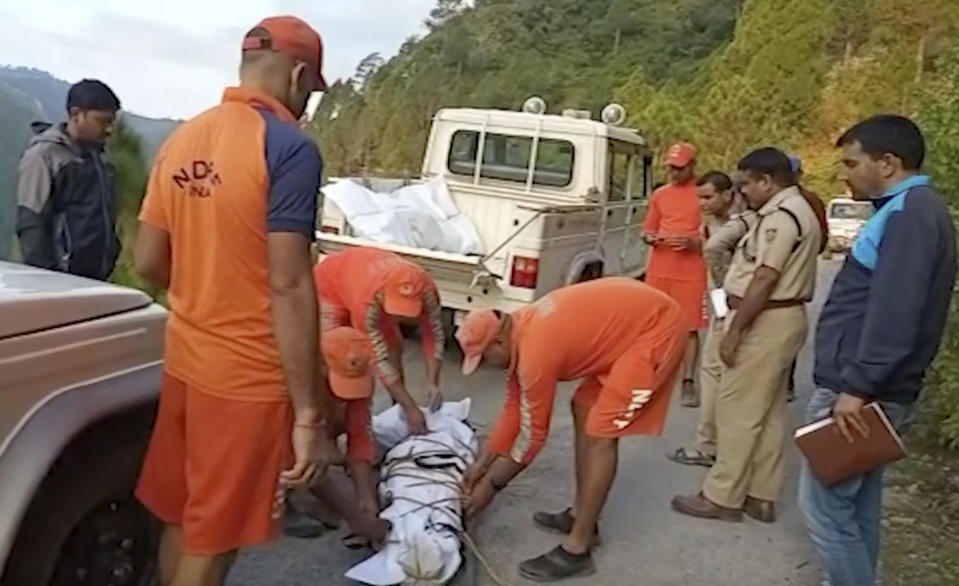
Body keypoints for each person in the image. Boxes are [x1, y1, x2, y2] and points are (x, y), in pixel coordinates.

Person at [132, 16, 338, 586]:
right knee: (215, 539)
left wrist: (208, 284)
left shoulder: (184, 137)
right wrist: (308, 415)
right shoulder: (290, 148)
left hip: (185, 361)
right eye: (310, 91)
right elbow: (289, 284)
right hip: (246, 380)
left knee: (183, 517)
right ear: (299, 76)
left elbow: (148, 260)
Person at [799, 115, 956, 586]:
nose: (845, 175)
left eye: (852, 163)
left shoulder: (911, 214)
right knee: (857, 503)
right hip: (873, 389)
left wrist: (857, 386)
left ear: (887, 163)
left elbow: (896, 312)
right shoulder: (911, 209)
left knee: (824, 509)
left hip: (861, 393)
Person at [458, 278, 685, 581]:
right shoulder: (520, 330)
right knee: (582, 406)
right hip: (633, 326)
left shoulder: (535, 350)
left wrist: (490, 488)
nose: (487, 365)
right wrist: (481, 467)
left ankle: (578, 548)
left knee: (601, 434)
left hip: (656, 330)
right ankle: (582, 516)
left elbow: (533, 437)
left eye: (485, 358)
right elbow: (515, 408)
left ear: (498, 342)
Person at [672, 148, 821, 524]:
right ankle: (761, 494)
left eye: (747, 184)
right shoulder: (792, 210)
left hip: (765, 319)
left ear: (766, 181)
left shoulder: (783, 217)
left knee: (736, 408)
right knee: (767, 411)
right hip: (780, 317)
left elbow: (766, 276)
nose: (744, 193)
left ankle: (722, 495)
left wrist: (734, 330)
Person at [668, 171, 755, 467]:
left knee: (716, 370)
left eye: (708, 197)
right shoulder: (719, 221)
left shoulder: (741, 224)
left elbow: (724, 263)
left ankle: (710, 444)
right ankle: (715, 442)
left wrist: (725, 309)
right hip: (725, 301)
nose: (702, 203)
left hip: (733, 303)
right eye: (699, 197)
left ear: (728, 195)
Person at [313, 246, 445, 434]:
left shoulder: (427, 290)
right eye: (397, 309)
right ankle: (333, 425)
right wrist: (411, 407)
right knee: (343, 360)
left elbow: (433, 335)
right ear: (383, 295)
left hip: (363, 284)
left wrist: (433, 382)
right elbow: (377, 358)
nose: (400, 318)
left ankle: (396, 414)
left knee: (394, 347)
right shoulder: (366, 302)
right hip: (329, 287)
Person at [16, 79, 121, 280]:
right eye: (102, 121)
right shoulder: (45, 155)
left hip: (97, 280)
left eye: (111, 122)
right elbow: (31, 223)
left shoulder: (98, 158)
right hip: (61, 282)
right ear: (75, 114)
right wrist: (47, 281)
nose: (109, 129)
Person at [310, 326, 391, 548]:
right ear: (321, 365)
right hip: (270, 432)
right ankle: (284, 501)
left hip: (321, 421)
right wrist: (353, 517)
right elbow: (301, 451)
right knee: (309, 457)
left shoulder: (361, 375)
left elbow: (359, 433)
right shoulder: (299, 382)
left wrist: (365, 495)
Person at [642, 142, 708, 407]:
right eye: (671, 168)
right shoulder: (660, 194)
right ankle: (651, 377)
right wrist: (650, 237)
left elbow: (715, 233)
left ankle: (688, 381)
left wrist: (694, 243)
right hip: (660, 267)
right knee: (654, 325)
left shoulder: (703, 194)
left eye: (680, 168)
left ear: (692, 166)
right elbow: (647, 227)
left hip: (691, 269)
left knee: (689, 327)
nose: (675, 173)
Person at [784, 155, 830, 402]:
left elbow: (821, 238)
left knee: (786, 326)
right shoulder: (765, 201)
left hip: (793, 276)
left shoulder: (810, 202)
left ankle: (786, 378)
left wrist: (800, 254)